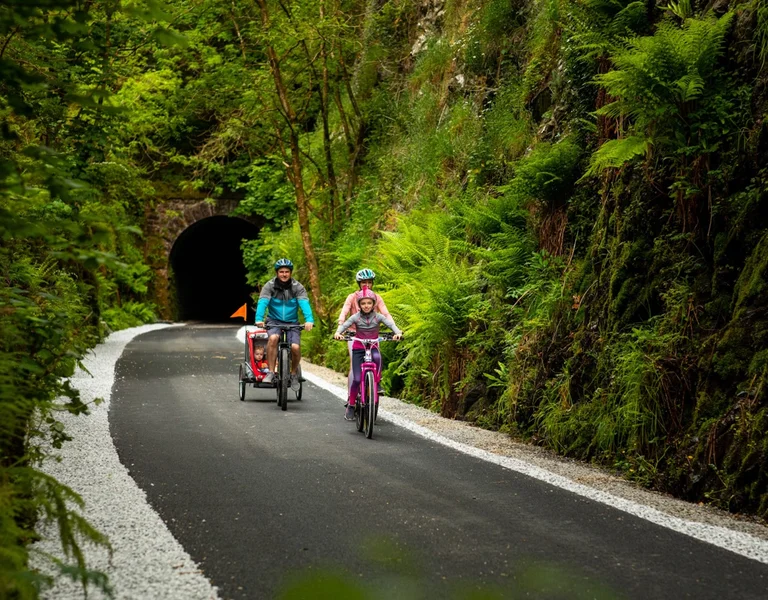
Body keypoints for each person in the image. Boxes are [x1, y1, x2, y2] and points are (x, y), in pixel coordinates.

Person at [334, 287, 402, 420]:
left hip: (373, 347)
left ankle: (376, 381)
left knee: (377, 357)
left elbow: (390, 324)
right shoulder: (356, 317)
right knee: (357, 379)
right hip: (358, 348)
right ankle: (352, 405)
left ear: (373, 304)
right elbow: (345, 325)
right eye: (363, 303)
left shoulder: (378, 317)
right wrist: (338, 333)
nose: (366, 306)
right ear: (359, 305)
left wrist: (397, 332)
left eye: (369, 303)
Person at [255, 258, 314, 389]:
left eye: (287, 271)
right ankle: (270, 372)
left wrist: (309, 320)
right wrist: (259, 318)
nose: (284, 274)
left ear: (290, 273)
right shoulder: (269, 286)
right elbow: (263, 302)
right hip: (274, 320)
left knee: (295, 348)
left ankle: (293, 374)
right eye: (281, 271)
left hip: (292, 322)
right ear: (277, 273)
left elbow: (304, 303)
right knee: (273, 338)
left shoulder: (297, 287)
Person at [338, 268, 391, 397]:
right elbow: (344, 311)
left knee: (376, 357)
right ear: (359, 284)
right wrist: (340, 325)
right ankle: (352, 395)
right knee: (353, 365)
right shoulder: (352, 297)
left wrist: (395, 329)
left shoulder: (376, 298)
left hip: (371, 335)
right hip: (354, 336)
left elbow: (385, 313)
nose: (366, 285)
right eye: (363, 282)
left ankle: (377, 383)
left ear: (372, 283)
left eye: (369, 282)